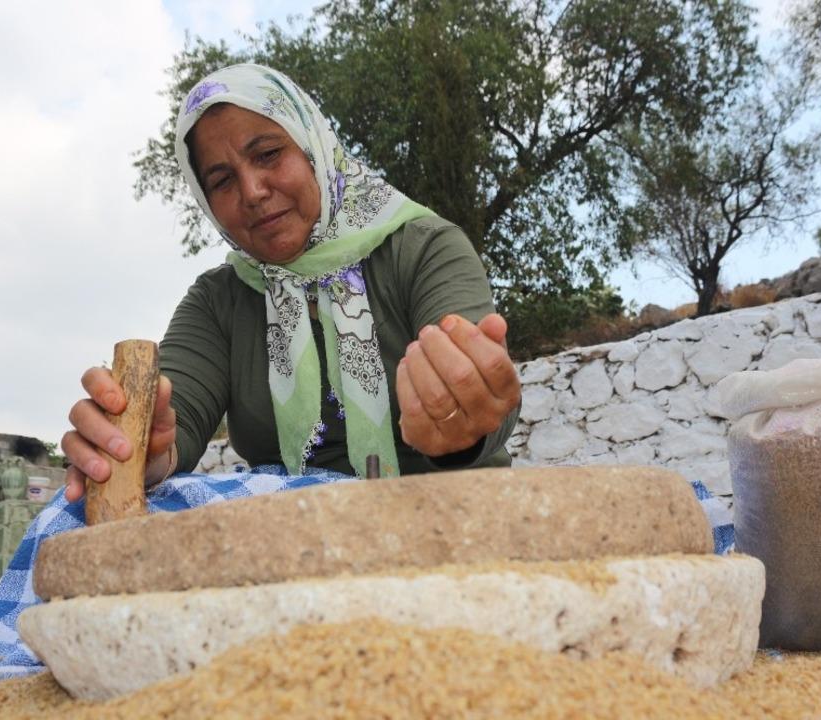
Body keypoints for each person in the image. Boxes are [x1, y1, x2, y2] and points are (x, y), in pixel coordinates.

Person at [61, 63, 521, 501]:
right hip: (291, 543)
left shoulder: (422, 249)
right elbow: (173, 424)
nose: (253, 192)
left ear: (313, 147)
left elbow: (483, 400)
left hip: (453, 526)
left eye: (267, 155)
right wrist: (137, 446)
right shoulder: (218, 301)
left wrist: (460, 420)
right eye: (222, 180)